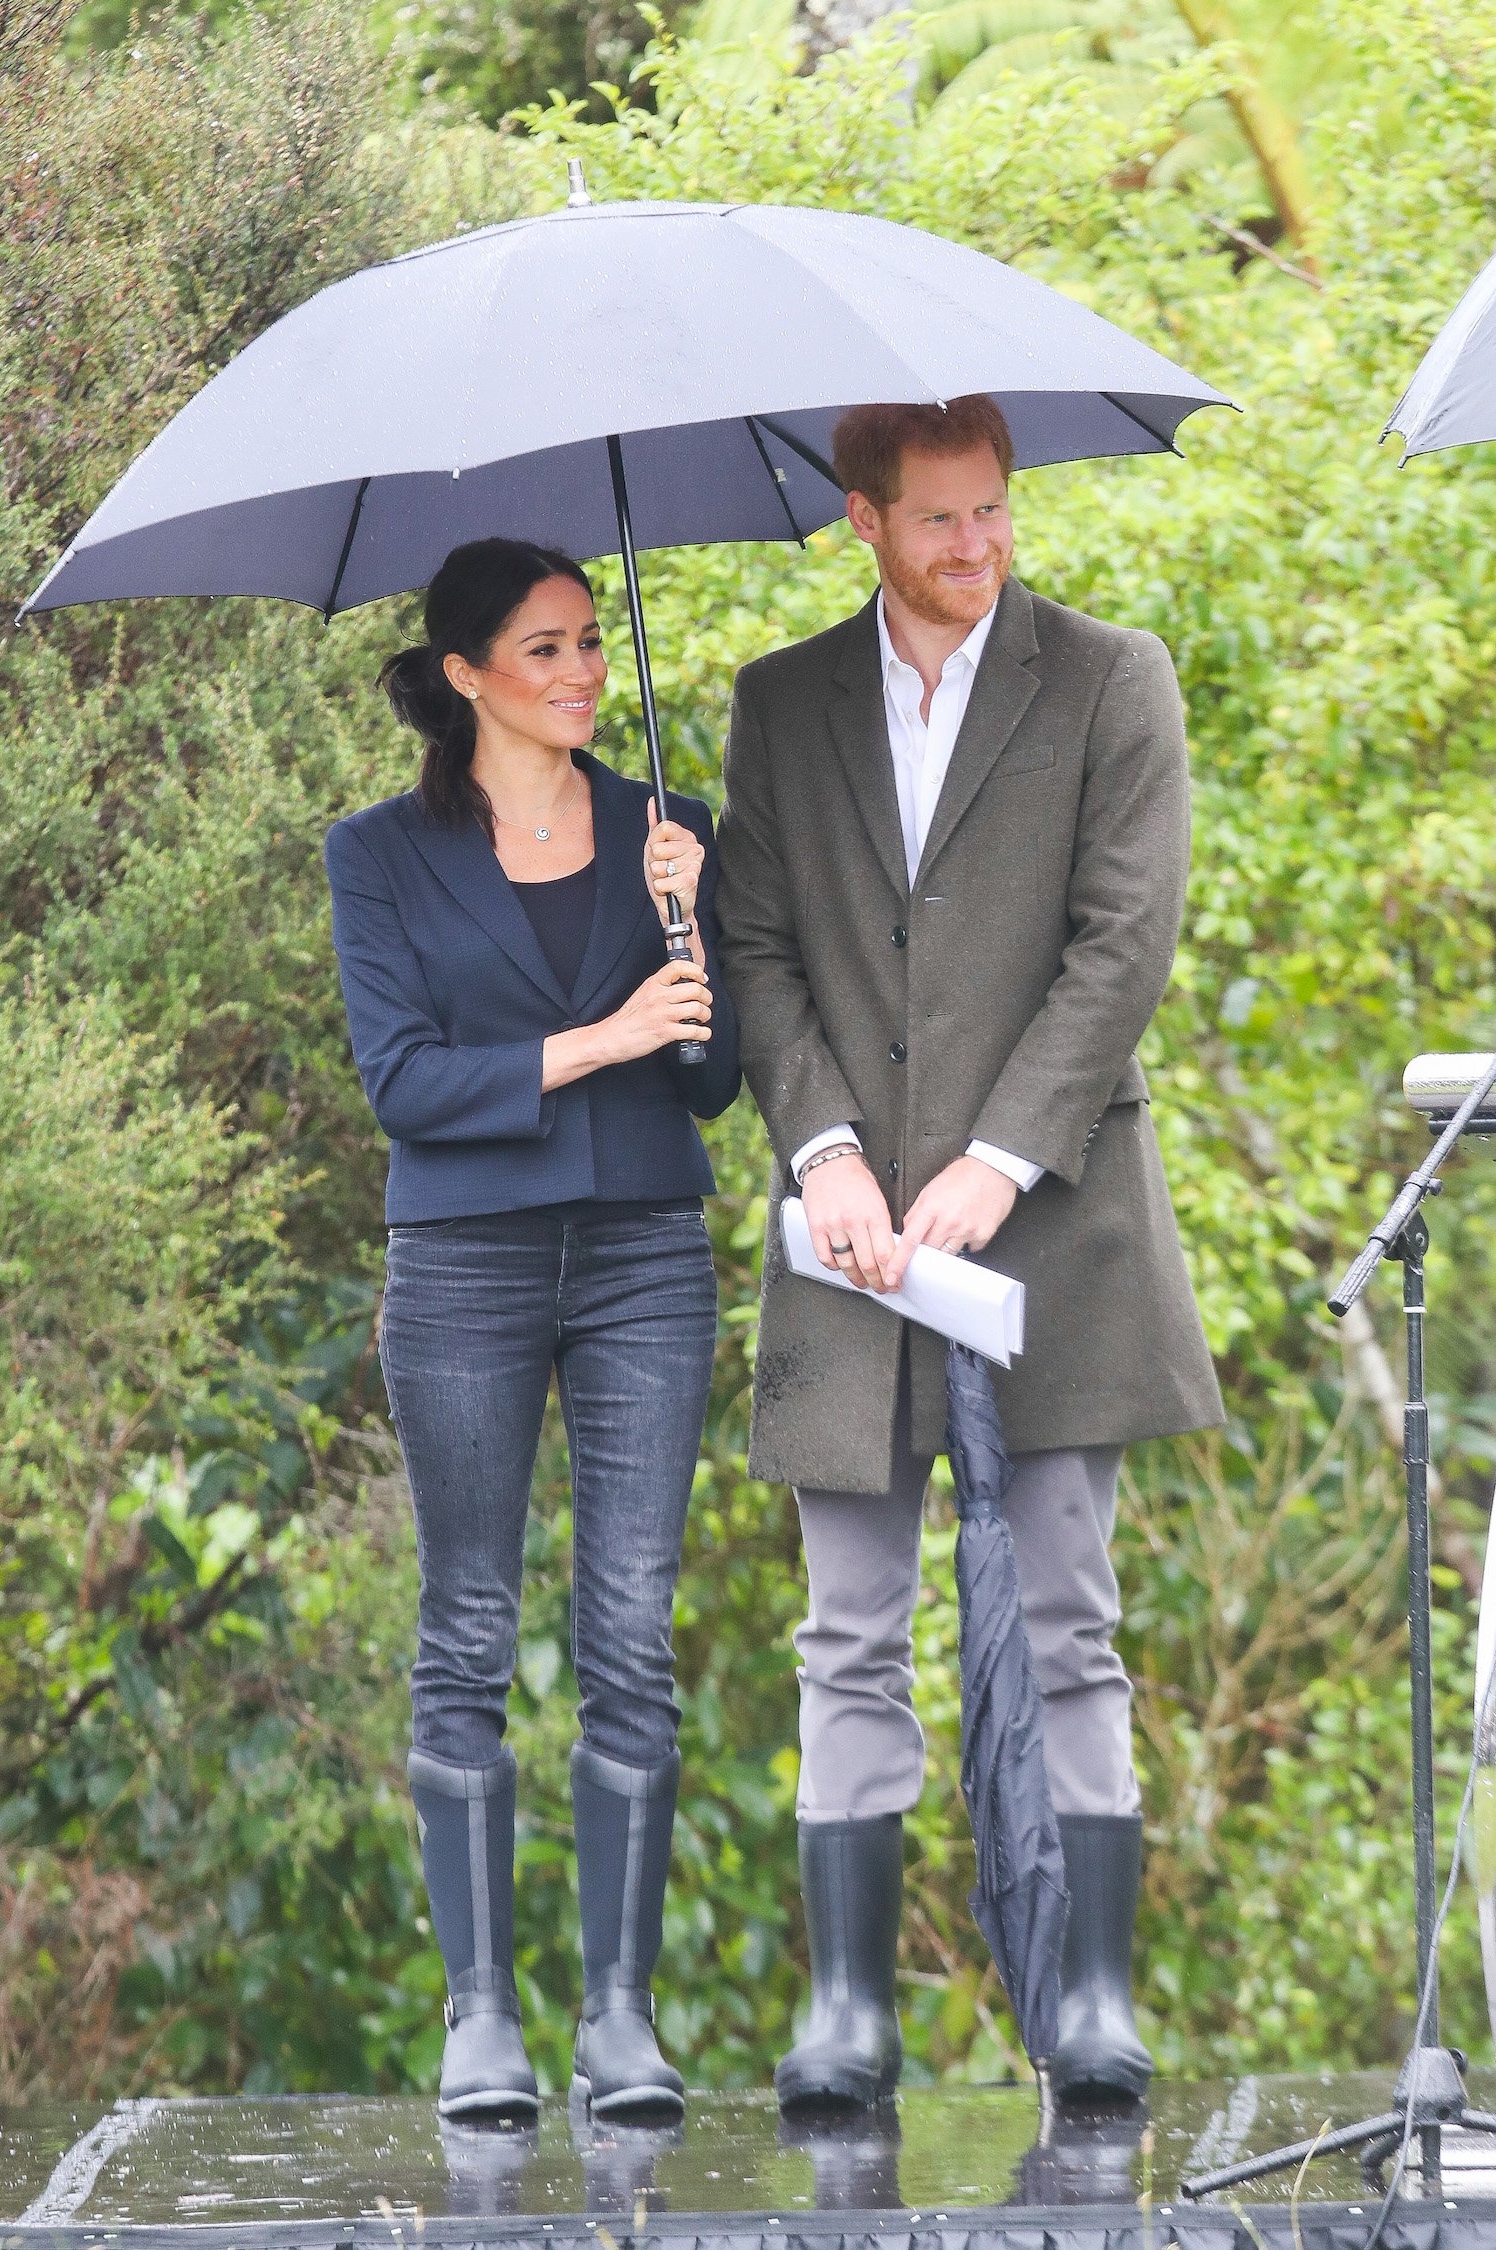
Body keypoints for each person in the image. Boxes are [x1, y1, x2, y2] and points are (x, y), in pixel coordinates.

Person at [715, 396, 1222, 2112]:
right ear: (864, 520)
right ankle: (847, 2012)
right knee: (847, 1630)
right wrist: (827, 1145)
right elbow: (761, 948)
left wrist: (1000, 1158)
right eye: (939, 522)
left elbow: (1123, 941)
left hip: (1053, 1235)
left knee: (1073, 1621)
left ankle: (1089, 1997)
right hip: (849, 1255)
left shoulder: (1109, 678)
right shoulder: (781, 705)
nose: (978, 549)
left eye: (994, 514)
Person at [324, 537, 740, 2123]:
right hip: (468, 1262)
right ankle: (480, 2012)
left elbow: (712, 1080)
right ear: (467, 675)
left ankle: (621, 2016)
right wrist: (600, 1037)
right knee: (471, 1631)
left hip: (645, 1250)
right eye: (547, 650)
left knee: (633, 1629)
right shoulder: (378, 854)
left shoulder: (668, 828)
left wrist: (688, 935)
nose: (582, 674)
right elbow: (405, 1082)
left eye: (588, 645)